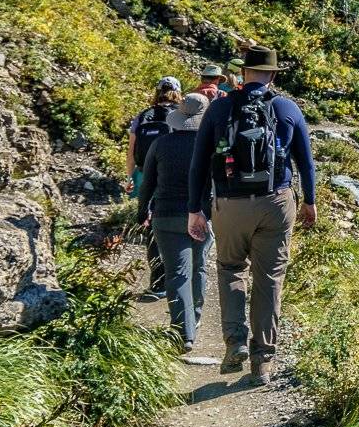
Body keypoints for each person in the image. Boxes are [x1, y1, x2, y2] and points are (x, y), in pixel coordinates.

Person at [185, 46, 316, 386]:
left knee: (230, 269)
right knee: (269, 278)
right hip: (275, 202)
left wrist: (195, 209)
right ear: (272, 75)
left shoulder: (220, 108)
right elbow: (305, 161)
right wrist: (309, 202)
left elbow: (199, 163)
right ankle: (263, 362)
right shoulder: (287, 108)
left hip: (229, 203)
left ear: (243, 74)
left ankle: (236, 341)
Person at [141, 91, 212, 353]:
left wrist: (142, 212)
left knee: (177, 273)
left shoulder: (161, 144)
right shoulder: (210, 145)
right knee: (199, 266)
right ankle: (197, 315)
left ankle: (184, 332)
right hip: (202, 215)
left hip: (166, 214)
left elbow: (148, 182)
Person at [126, 77, 180, 295]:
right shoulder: (181, 116)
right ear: (177, 93)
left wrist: (131, 177)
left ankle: (157, 282)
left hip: (144, 174)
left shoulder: (143, 116)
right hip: (172, 177)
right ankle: (177, 279)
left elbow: (131, 151)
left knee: (152, 228)